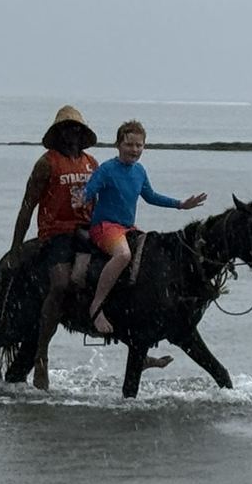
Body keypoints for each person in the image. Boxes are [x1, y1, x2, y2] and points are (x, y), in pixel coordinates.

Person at [84, 119, 207, 336]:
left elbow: (150, 196)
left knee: (151, 254)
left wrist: (180, 204)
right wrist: (81, 198)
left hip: (128, 228)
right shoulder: (107, 169)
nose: (134, 150)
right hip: (105, 227)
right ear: (118, 145)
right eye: (129, 144)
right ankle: (97, 306)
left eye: (139, 145)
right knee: (123, 255)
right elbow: (89, 189)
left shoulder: (139, 170)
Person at [9, 106, 100, 390]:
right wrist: (15, 247)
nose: (71, 134)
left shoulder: (91, 163)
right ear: (58, 133)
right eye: (66, 129)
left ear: (82, 134)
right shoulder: (47, 163)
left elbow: (102, 200)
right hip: (56, 233)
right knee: (60, 284)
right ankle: (41, 354)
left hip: (87, 232)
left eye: (76, 129)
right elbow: (28, 205)